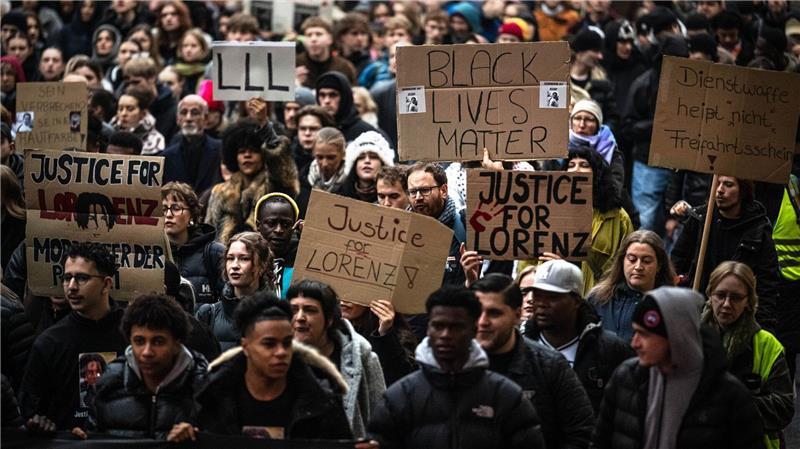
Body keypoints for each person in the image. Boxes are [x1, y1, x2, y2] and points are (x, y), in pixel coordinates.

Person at [368, 286, 546, 449]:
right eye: (438, 326)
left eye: (456, 327)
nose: (446, 334)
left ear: (474, 329)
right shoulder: (399, 397)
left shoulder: (506, 397)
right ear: (428, 329)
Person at [592, 286, 766, 449]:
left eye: (644, 335)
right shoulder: (625, 379)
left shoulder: (730, 396)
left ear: (676, 336)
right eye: (635, 332)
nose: (634, 343)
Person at [196, 292, 355, 441]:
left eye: (287, 343)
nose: (281, 352)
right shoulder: (214, 397)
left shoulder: (322, 401)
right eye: (269, 344)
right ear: (246, 346)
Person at [472, 274, 594, 449]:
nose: (483, 322)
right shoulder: (451, 364)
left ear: (517, 315)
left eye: (494, 313)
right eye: (476, 312)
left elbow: (582, 432)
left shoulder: (549, 366)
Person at [19, 242, 128, 431]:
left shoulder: (133, 336)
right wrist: (38, 422)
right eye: (67, 278)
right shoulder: (49, 342)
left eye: (82, 278)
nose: (71, 287)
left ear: (106, 284)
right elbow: (30, 407)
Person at [89, 294, 208, 442]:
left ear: (177, 343)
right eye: (139, 341)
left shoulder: (204, 388)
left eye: (158, 342)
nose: (147, 352)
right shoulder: (108, 385)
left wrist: (198, 438)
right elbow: (92, 436)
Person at [701, 262, 794, 449]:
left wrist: (736, 405)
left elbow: (784, 407)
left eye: (735, 298)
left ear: (749, 301)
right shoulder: (690, 338)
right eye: (720, 295)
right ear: (710, 296)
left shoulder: (767, 345)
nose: (727, 304)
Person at [521, 260, 634, 412]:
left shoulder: (609, 350)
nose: (541, 303)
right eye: (538, 295)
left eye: (552, 297)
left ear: (576, 301)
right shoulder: (519, 346)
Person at [671, 176, 780, 333]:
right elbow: (676, 264)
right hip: (696, 313)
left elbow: (767, 284)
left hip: (738, 320)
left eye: (728, 185)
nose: (720, 190)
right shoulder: (699, 220)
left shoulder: (758, 230)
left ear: (743, 192)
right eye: (717, 184)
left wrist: (763, 329)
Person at [288, 280, 385, 438]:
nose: (299, 317)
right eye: (293, 310)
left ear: (330, 318)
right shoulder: (274, 358)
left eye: (310, 310)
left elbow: (382, 420)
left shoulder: (362, 357)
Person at [205, 118, 299, 244]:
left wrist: (265, 128)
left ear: (264, 155)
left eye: (254, 151)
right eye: (241, 151)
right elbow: (208, 233)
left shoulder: (275, 186)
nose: (247, 155)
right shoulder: (220, 192)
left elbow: (279, 164)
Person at [588, 230, 676, 342]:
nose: (638, 266)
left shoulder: (670, 306)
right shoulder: (598, 298)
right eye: (632, 259)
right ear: (622, 261)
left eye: (646, 261)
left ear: (659, 265)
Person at [196, 232, 275, 350]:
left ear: (262, 266)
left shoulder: (277, 315)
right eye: (230, 258)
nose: (235, 265)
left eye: (244, 259)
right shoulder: (207, 314)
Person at [162, 182, 224, 306]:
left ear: (191, 214)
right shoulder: (151, 254)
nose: (168, 215)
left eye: (176, 208)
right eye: (163, 209)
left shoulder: (214, 253)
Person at [339, 298, 417, 386]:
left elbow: (402, 378)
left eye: (353, 294)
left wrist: (384, 334)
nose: (344, 300)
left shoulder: (397, 335)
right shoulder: (334, 329)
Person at [161, 95, 221, 195]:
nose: (188, 118)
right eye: (184, 113)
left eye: (195, 113)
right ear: (178, 119)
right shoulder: (165, 158)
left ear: (205, 118)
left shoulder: (221, 151)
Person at [253, 193, 301, 299]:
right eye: (271, 223)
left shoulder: (303, 262)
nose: (278, 230)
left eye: (286, 224)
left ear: (294, 226)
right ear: (258, 225)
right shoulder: (246, 259)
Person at [315, 71, 384, 143]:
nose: (327, 101)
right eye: (322, 95)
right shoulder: (311, 129)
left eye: (333, 95)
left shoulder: (366, 133)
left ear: (344, 98)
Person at [297, 127, 348, 217]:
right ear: (313, 154)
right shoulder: (302, 181)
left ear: (343, 154)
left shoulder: (352, 184)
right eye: (320, 157)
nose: (324, 164)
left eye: (331, 158)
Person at [296, 16, 357, 89]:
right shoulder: (294, 63)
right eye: (309, 35)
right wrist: (294, 83)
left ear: (330, 39)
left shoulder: (344, 67)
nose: (313, 39)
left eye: (319, 34)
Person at [337, 131, 395, 204]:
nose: (367, 161)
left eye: (373, 157)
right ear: (354, 164)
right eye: (361, 157)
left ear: (383, 163)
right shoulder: (339, 195)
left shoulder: (393, 197)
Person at [110, 87, 165, 155]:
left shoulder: (155, 140)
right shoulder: (108, 132)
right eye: (120, 109)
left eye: (130, 109)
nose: (123, 114)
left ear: (143, 113)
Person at [291, 105, 334, 175]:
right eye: (302, 128)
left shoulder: (336, 159)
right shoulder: (288, 157)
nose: (307, 133)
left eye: (313, 129)